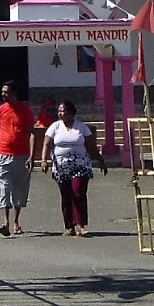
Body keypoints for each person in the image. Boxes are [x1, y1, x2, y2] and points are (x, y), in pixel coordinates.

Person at [41, 100, 104, 236]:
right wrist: (44, 160)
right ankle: (69, 226)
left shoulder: (81, 127)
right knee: (66, 195)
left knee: (78, 192)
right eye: (59, 111)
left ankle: (80, 224)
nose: (60, 113)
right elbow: (47, 143)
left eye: (62, 110)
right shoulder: (55, 126)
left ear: (70, 112)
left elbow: (91, 146)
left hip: (80, 164)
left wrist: (100, 160)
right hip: (61, 166)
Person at [0, 82, 40, 236]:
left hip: (22, 156)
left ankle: (16, 221)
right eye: (2, 92)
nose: (4, 95)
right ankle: (5, 222)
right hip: (3, 155)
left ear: (14, 93)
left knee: (19, 189)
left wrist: (32, 156)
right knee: (5, 188)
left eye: (7, 92)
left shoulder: (24, 110)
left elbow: (32, 133)